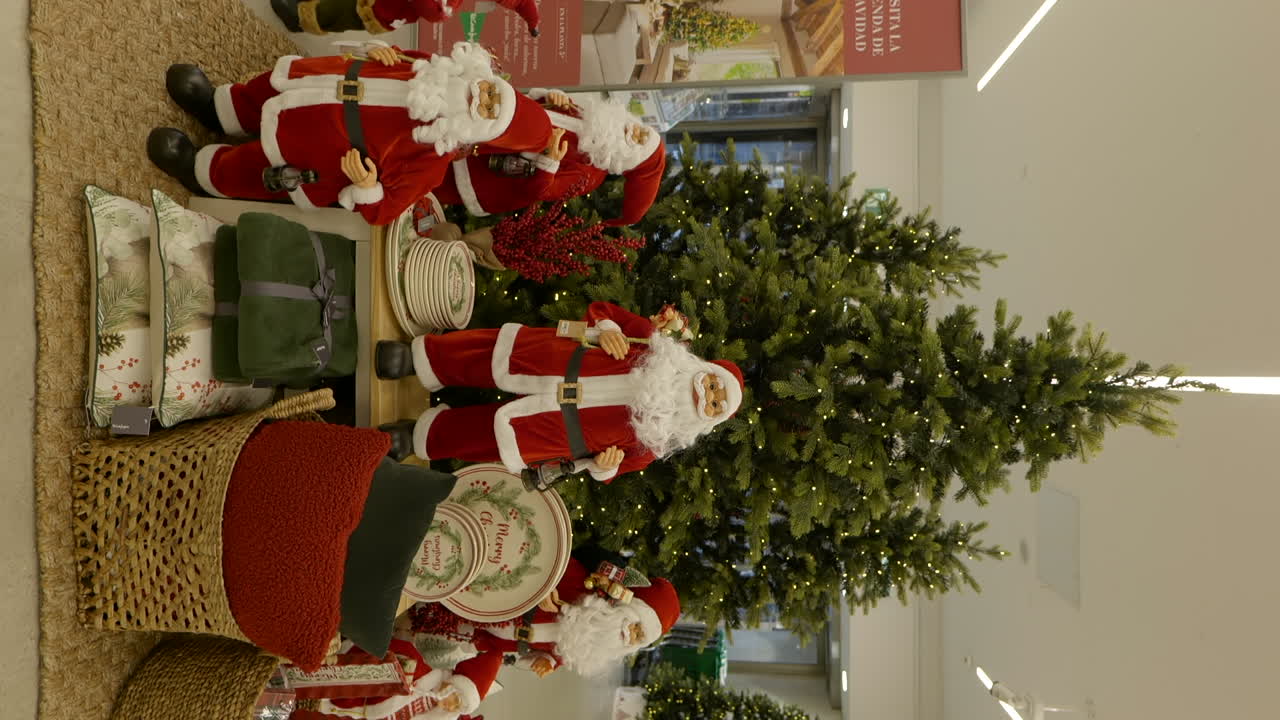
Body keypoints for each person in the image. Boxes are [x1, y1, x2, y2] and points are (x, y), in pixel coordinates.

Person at [148, 42, 552, 226]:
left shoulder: (431, 160)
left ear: (481, 130)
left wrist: (369, 186)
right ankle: (219, 107)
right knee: (266, 90)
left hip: (317, 151)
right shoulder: (434, 71)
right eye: (488, 91)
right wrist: (378, 52)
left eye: (485, 110)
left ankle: (199, 167)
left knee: (255, 167)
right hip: (320, 85)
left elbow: (386, 211)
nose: (474, 96)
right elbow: (400, 56)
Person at [374, 301, 744, 482]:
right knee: (485, 356)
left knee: (487, 436)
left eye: (714, 404)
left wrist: (602, 468)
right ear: (703, 369)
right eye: (713, 385)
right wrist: (609, 328)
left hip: (559, 431)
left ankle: (422, 437)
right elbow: (601, 309)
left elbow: (615, 468)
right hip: (554, 362)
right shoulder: (652, 345)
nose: (704, 395)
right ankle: (419, 359)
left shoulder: (652, 442)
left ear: (708, 420)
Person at [406, 553, 681, 678]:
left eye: (638, 638)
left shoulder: (590, 642)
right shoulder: (585, 590)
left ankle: (407, 632)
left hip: (490, 639)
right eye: (636, 627)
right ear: (626, 605)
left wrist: (549, 661)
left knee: (434, 632)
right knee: (442, 598)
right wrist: (544, 589)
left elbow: (569, 651)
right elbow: (549, 563)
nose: (629, 636)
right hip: (497, 603)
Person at [431, 91, 665, 225]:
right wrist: (553, 96)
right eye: (640, 130)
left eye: (637, 141)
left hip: (478, 172)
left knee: (422, 174)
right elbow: (536, 108)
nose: (632, 131)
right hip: (476, 127)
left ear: (628, 159)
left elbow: (541, 192)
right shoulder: (589, 118)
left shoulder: (590, 175)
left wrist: (549, 160)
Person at [271, 0, 540, 37]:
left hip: (382, 9)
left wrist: (533, 21)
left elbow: (520, 2)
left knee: (341, 11)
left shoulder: (446, 4)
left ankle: (299, 19)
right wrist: (533, 22)